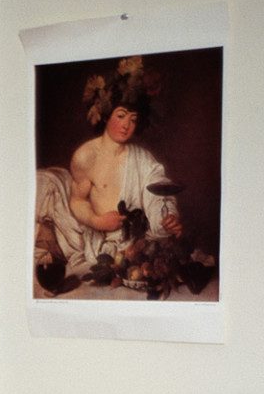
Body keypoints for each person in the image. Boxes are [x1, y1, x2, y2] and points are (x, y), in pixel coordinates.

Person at [35, 56, 185, 283]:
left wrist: (168, 217)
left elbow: (158, 189)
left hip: (135, 244)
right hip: (98, 239)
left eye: (133, 119)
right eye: (121, 116)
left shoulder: (142, 158)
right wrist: (97, 222)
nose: (126, 125)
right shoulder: (86, 155)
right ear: (106, 115)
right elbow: (77, 201)